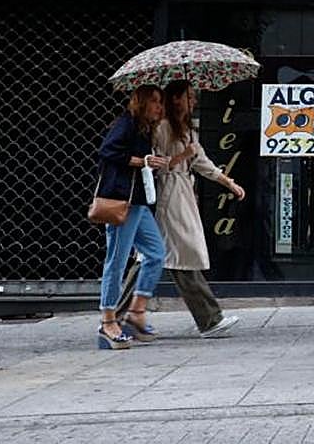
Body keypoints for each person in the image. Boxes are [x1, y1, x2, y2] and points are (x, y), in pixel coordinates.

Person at [150, 79, 244, 338]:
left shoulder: (186, 130)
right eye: (189, 96)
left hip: (181, 193)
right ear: (176, 98)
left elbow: (203, 162)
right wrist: (182, 156)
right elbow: (156, 164)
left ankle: (124, 314)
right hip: (169, 194)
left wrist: (228, 183)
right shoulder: (163, 128)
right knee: (179, 253)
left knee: (167, 254)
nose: (193, 101)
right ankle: (209, 318)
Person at [96, 84, 169, 350]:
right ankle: (107, 321)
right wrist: (142, 161)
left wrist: (152, 161)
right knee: (116, 261)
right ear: (141, 102)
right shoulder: (126, 123)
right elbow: (107, 152)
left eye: (160, 102)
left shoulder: (144, 128)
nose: (160, 107)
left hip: (138, 203)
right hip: (121, 202)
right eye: (155, 101)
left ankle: (136, 310)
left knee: (157, 253)